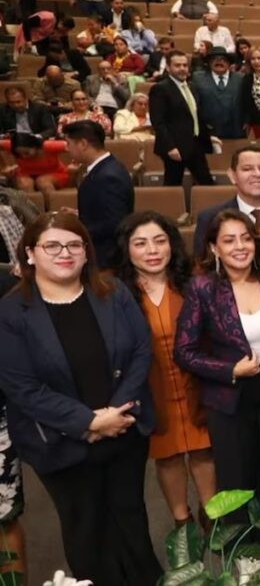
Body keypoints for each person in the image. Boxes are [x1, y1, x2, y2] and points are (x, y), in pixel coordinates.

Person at [0, 211, 162, 585]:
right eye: (52, 245)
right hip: (59, 442)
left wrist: (114, 414)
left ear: (87, 253)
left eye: (75, 245)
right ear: (29, 253)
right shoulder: (11, 311)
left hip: (123, 430)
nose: (65, 253)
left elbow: (141, 351)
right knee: (85, 527)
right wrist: (88, 421)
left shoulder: (113, 291)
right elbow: (21, 386)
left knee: (131, 518)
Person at [174, 209, 260, 549]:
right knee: (239, 474)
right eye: (229, 240)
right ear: (214, 248)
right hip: (229, 395)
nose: (239, 246)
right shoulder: (203, 288)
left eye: (245, 238)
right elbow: (184, 351)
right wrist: (229, 370)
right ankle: (247, 548)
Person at [112, 212, 217, 528]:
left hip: (196, 383)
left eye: (160, 241)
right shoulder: (115, 292)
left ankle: (213, 516)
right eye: (141, 243)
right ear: (127, 249)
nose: (152, 250)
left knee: (204, 451)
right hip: (151, 388)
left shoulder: (196, 280)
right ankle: (181, 521)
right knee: (168, 456)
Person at [65, 120, 133, 270]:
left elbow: (116, 222)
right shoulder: (106, 168)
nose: (66, 149)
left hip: (106, 259)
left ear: (83, 144)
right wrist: (79, 214)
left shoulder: (108, 176)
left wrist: (74, 231)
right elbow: (104, 210)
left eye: (68, 143)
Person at [149, 49, 215, 186]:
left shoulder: (192, 87)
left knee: (207, 183)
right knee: (172, 186)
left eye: (185, 65)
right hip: (175, 148)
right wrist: (170, 147)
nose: (182, 69)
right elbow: (158, 123)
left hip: (195, 145)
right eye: (177, 65)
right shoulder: (160, 89)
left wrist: (208, 135)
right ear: (168, 67)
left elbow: (195, 116)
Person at [192, 47, 245, 140]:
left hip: (236, 131)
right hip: (208, 132)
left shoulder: (241, 79)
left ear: (229, 63)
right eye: (214, 59)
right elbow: (195, 105)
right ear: (209, 62)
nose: (219, 62)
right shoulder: (198, 78)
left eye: (223, 59)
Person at [0, 133, 69, 192]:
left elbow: (71, 145)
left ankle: (53, 205)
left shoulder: (47, 146)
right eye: (19, 154)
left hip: (55, 173)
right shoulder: (14, 145)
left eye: (26, 153)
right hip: (25, 174)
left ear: (35, 147)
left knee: (43, 182)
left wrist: (75, 164)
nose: (23, 156)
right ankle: (31, 207)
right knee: (25, 184)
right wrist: (4, 166)